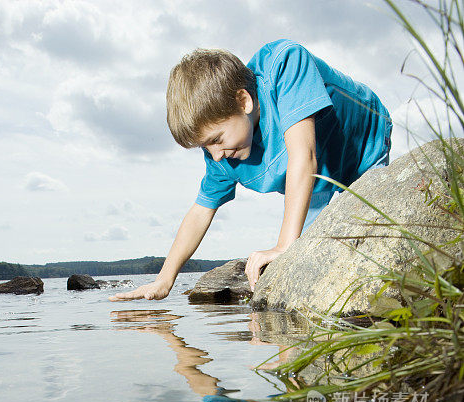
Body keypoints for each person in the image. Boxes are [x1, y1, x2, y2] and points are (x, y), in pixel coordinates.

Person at [109, 38, 392, 302]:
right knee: (308, 264)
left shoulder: (285, 64)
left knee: (371, 240)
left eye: (216, 139)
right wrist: (164, 279)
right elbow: (199, 212)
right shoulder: (222, 157)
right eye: (205, 148)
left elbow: (303, 156)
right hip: (318, 183)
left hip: (364, 146)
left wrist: (283, 246)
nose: (216, 155)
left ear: (243, 101)